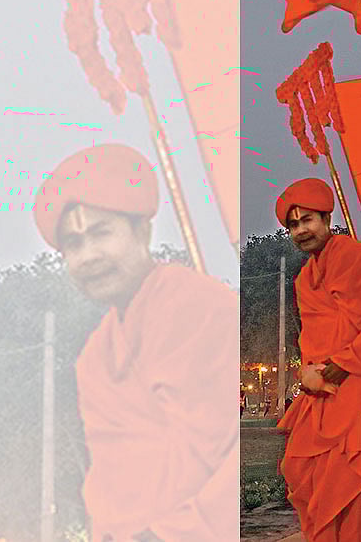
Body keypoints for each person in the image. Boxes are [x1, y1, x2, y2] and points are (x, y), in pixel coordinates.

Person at [31, 144, 238, 540]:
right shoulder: (94, 356)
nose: (88, 255)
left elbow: (211, 458)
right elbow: (109, 477)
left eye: (100, 233)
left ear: (142, 231)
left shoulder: (198, 306)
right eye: (73, 244)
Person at [274, 178, 361, 541]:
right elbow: (312, 337)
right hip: (322, 393)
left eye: (308, 220)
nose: (301, 230)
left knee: (357, 492)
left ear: (326, 218)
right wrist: (308, 371)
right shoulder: (304, 278)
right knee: (304, 471)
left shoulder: (356, 258)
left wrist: (344, 363)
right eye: (293, 224)